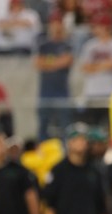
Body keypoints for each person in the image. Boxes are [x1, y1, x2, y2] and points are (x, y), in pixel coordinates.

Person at [34, 11, 73, 142]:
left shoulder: (66, 44)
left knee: (65, 126)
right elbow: (38, 63)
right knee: (43, 125)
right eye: (53, 24)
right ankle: (42, 151)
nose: (56, 27)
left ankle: (65, 151)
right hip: (45, 92)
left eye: (58, 24)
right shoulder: (44, 45)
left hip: (62, 93)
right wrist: (57, 62)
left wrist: (48, 63)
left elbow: (67, 61)